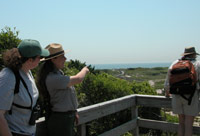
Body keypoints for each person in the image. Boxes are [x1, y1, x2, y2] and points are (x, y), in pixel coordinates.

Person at [36, 43, 89, 136]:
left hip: (65, 118)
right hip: (61, 120)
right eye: (62, 56)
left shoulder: (57, 75)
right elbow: (78, 79)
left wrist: (74, 111)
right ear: (53, 59)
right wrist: (84, 70)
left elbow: (65, 97)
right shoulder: (52, 78)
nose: (65, 59)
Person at [0, 39, 49, 136]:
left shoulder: (27, 71)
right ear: (30, 60)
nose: (41, 60)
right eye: (40, 57)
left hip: (28, 131)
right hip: (14, 132)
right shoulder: (8, 77)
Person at [164, 46, 200, 136]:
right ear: (194, 54)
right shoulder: (197, 64)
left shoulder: (175, 63)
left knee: (181, 122)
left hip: (176, 95)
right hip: (191, 96)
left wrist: (167, 93)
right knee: (188, 124)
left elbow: (168, 81)